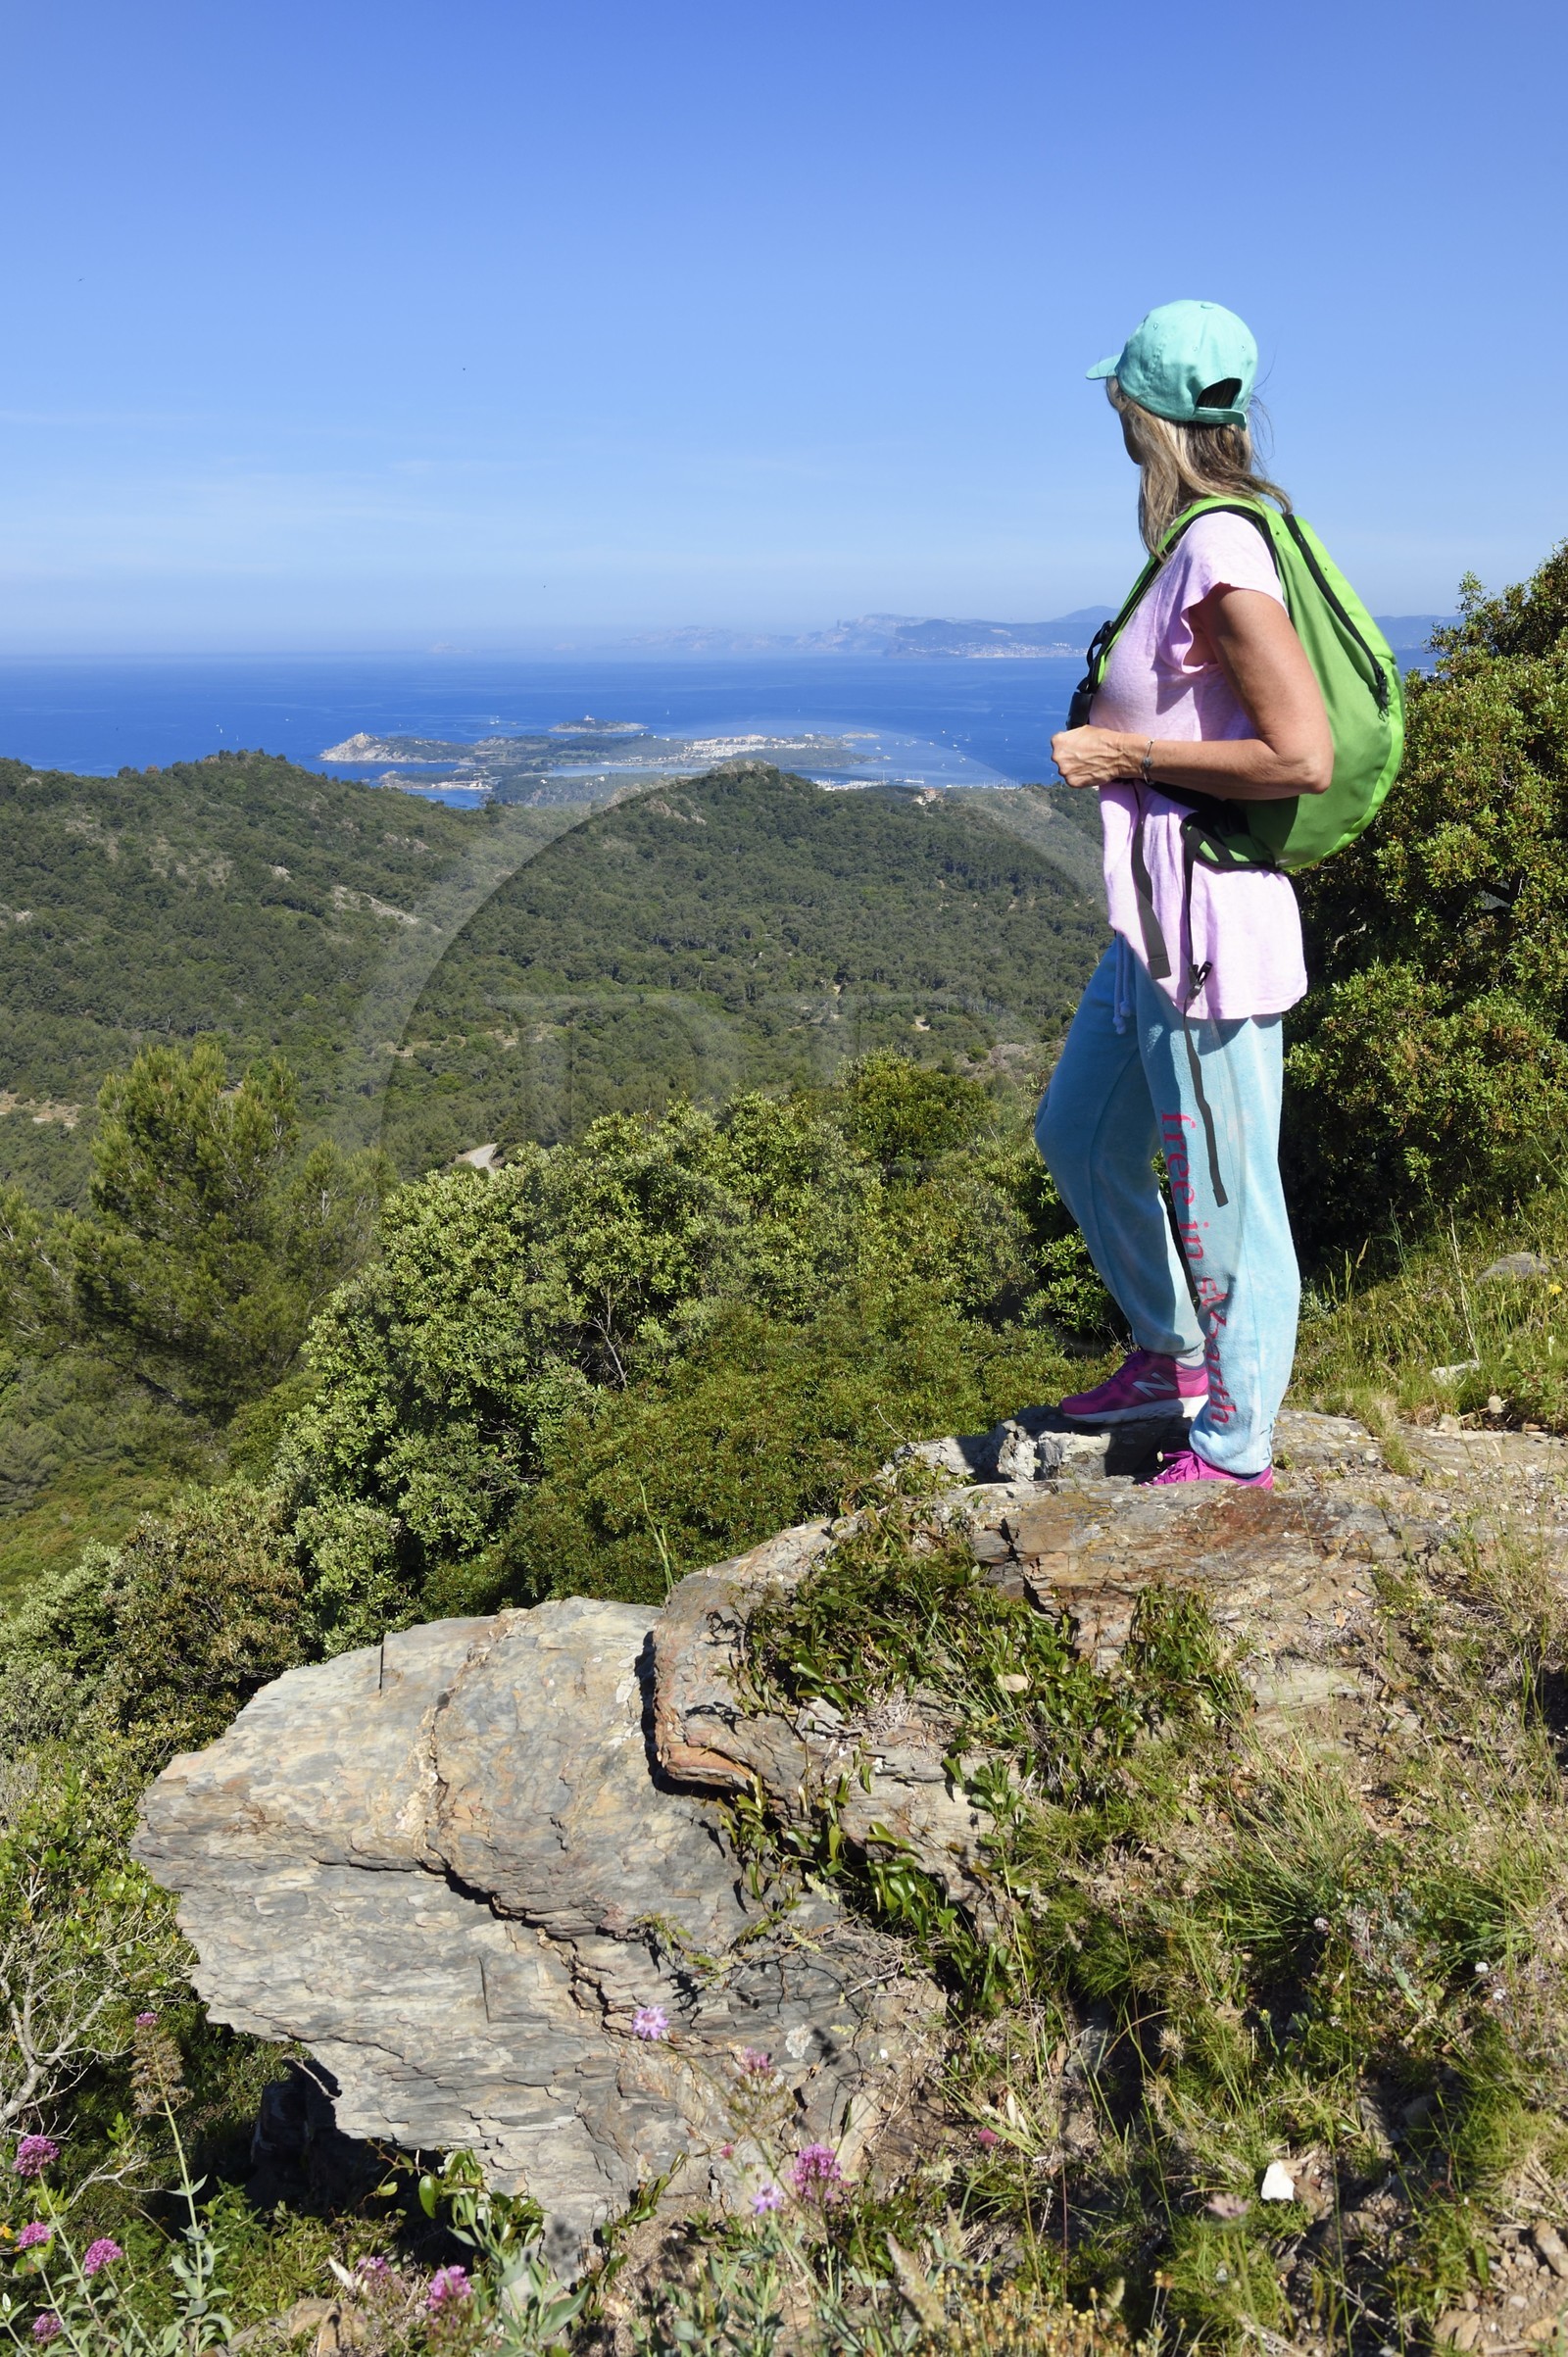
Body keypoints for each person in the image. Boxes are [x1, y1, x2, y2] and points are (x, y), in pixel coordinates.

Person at [1035, 299, 1331, 1489]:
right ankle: (1170, 1353)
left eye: (1119, 400)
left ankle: (1236, 1437)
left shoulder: (1220, 544)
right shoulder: (1197, 539)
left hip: (1210, 924)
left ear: (1139, 411)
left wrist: (1124, 756)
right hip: (1151, 923)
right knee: (1080, 1135)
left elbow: (1298, 753)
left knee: (1223, 1185)